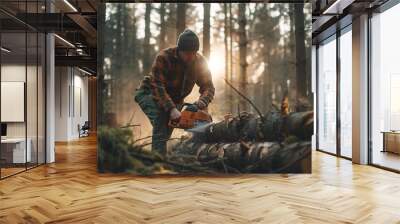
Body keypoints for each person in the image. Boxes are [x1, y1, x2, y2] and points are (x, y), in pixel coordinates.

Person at [134, 29, 215, 156]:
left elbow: (208, 87)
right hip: (149, 93)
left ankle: (170, 155)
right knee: (161, 121)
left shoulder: (200, 62)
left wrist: (200, 103)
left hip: (175, 100)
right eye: (187, 53)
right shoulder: (164, 57)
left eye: (193, 53)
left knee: (168, 126)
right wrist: (171, 109)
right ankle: (158, 164)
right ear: (179, 50)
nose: (190, 57)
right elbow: (157, 86)